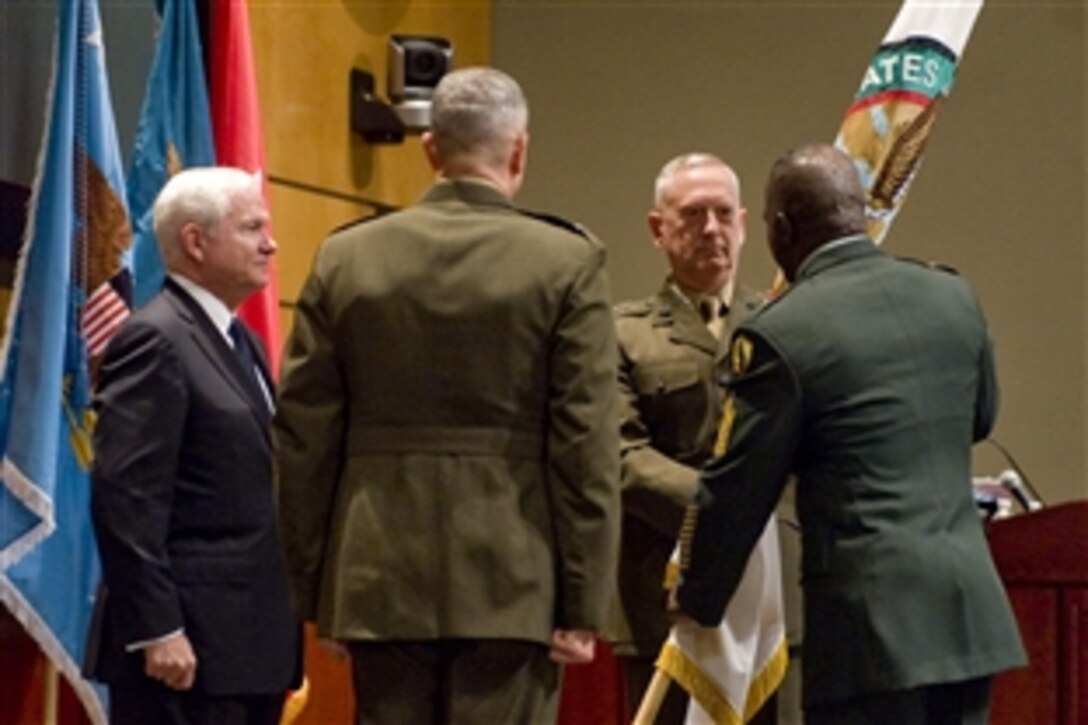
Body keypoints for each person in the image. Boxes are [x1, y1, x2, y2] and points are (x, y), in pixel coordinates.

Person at [273, 66, 620, 725]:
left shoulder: (347, 258)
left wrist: (318, 588)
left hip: (378, 574)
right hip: (513, 579)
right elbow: (587, 445)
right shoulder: (565, 262)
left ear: (431, 149)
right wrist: (582, 601)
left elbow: (302, 434)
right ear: (519, 150)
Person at [675, 143, 1027, 724]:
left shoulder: (780, 333)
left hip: (870, 634)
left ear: (782, 228)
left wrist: (697, 597)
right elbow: (980, 419)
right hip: (966, 619)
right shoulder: (951, 295)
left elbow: (736, 488)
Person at [84, 167, 301, 724]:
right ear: (195, 241)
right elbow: (126, 496)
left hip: (248, 649)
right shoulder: (154, 339)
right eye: (252, 228)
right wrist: (157, 626)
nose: (270, 243)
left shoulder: (241, 341)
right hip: (185, 652)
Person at [610, 152, 773, 723]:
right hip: (663, 595)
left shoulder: (784, 322)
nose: (711, 229)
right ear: (659, 229)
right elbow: (621, 458)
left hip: (769, 603)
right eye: (693, 214)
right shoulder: (622, 334)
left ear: (745, 224)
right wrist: (722, 502)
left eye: (724, 214)